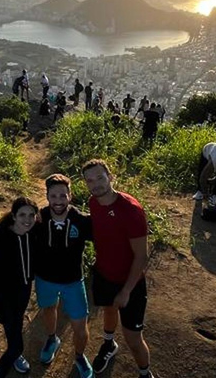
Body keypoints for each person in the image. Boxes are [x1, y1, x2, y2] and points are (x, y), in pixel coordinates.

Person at [81, 160, 154, 378]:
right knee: (109, 310)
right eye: (90, 181)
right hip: (104, 274)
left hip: (129, 283)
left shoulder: (130, 210)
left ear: (110, 177)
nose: (96, 184)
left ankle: (145, 373)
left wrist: (126, 291)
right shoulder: (93, 203)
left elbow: (142, 256)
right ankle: (109, 344)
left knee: (133, 338)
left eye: (100, 177)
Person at [34, 174, 94, 378]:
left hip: (73, 281)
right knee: (49, 309)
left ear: (70, 196)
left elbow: (106, 238)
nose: (58, 200)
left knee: (80, 323)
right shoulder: (38, 218)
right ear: (47, 196)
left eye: (62, 195)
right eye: (53, 196)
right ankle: (52, 339)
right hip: (45, 279)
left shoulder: (82, 221)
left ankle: (79, 356)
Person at [0, 197, 39, 377]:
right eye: (22, 215)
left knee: (16, 325)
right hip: (5, 299)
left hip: (23, 292)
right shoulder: (1, 240)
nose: (27, 219)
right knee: (16, 346)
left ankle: (15, 353)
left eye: (31, 215)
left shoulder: (31, 232)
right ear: (14, 216)